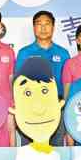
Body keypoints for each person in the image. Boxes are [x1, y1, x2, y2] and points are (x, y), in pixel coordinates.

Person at [16, 11, 70, 146]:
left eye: (47, 24)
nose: (43, 28)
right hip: (30, 107)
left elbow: (67, 82)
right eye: (39, 24)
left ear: (53, 27)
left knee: (56, 149)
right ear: (34, 28)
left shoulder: (63, 53)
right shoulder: (24, 53)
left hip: (56, 107)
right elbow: (18, 83)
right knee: (30, 150)